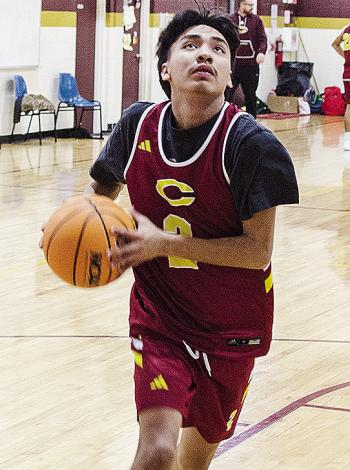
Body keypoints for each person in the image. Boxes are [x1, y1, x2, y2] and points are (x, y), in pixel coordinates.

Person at [89, 8, 299, 470]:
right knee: (158, 449)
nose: (205, 52)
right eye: (191, 44)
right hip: (159, 314)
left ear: (230, 75)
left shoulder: (251, 144)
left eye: (218, 49)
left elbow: (256, 251)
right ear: (165, 68)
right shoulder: (136, 126)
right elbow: (96, 199)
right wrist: (78, 227)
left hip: (233, 326)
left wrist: (164, 243)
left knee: (192, 461)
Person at [228, 1, 267, 118]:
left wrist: (261, 52)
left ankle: (252, 122)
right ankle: (225, 120)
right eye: (249, 5)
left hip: (250, 65)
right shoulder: (231, 19)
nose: (251, 7)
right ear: (241, 4)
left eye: (252, 5)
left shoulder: (256, 20)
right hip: (234, 65)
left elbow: (263, 39)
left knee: (250, 96)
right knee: (227, 94)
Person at [332, 24, 350, 151]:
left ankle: (348, 141)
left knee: (349, 107)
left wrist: (346, 56)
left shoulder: (347, 29)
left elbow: (335, 44)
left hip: (347, 73)